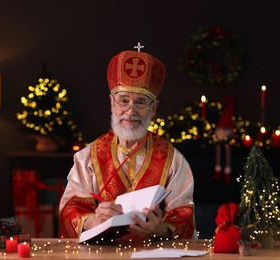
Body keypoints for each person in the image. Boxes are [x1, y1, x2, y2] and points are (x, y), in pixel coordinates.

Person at [58, 49, 196, 242]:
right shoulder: (88, 157)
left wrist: (161, 229)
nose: (130, 111)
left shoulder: (174, 160)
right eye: (123, 100)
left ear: (154, 108)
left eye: (140, 102)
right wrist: (93, 220)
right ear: (112, 103)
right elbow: (70, 208)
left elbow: (184, 215)